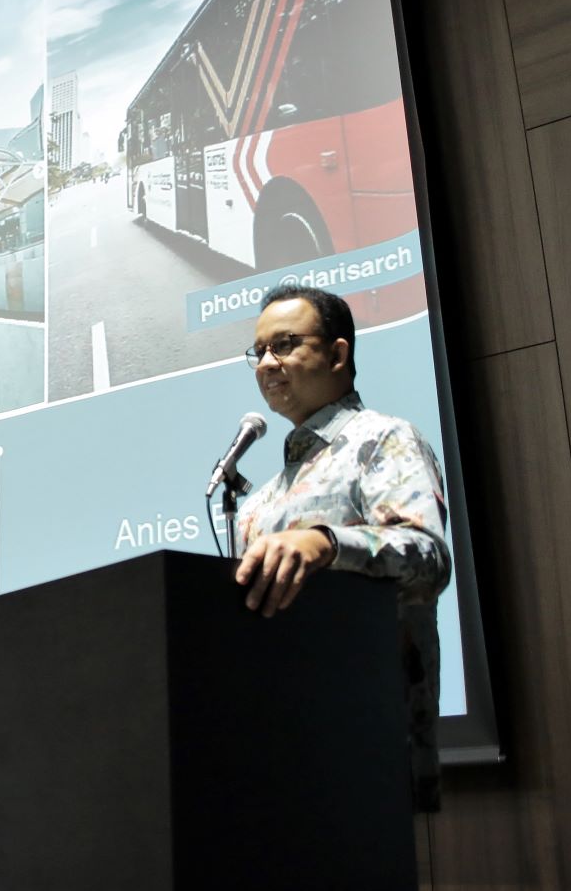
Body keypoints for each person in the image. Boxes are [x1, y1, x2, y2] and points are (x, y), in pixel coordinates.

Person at [232, 283, 451, 810]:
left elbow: (428, 556)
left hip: (368, 747)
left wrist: (328, 544)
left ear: (337, 353)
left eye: (284, 344)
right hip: (277, 758)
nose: (267, 362)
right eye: (257, 352)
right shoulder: (258, 503)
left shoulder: (383, 439)